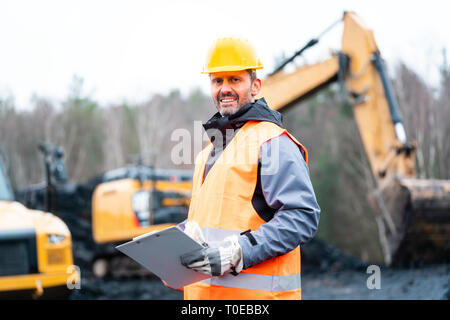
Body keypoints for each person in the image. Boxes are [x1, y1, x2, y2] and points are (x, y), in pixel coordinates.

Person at [166, 37, 320, 300]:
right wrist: (178, 244)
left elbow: (302, 216)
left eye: (234, 80)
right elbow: (215, 222)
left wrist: (239, 251)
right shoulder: (208, 152)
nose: (225, 89)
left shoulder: (272, 142)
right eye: (218, 81)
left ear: (255, 86)